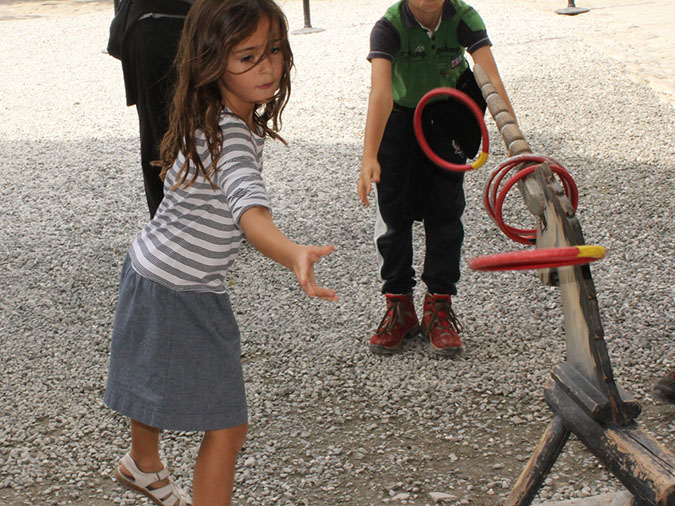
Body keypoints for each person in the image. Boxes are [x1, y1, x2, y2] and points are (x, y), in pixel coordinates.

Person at [104, 1, 338, 504]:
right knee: (228, 427)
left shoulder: (201, 110)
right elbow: (251, 213)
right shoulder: (231, 136)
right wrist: (292, 252)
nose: (268, 66)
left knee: (148, 371)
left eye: (273, 50)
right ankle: (148, 466)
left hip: (150, 266)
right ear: (212, 61)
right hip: (183, 288)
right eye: (248, 57)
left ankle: (143, 463)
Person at [358, 0, 517, 356]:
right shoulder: (390, 26)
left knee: (446, 214)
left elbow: (489, 75)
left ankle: (439, 306)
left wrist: (512, 135)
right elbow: (381, 92)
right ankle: (399, 306)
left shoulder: (463, 17)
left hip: (445, 117)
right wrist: (369, 155)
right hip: (399, 123)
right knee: (393, 217)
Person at [120, 0, 194, 217]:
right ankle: (168, 222)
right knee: (164, 136)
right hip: (164, 21)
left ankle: (167, 222)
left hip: (157, 23)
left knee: (160, 134)